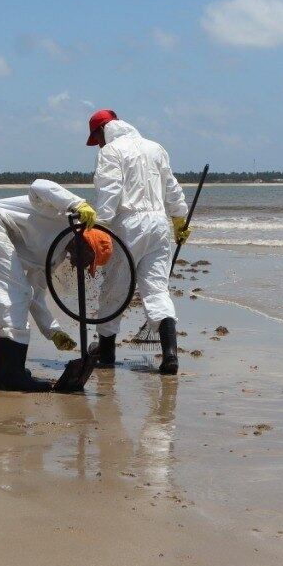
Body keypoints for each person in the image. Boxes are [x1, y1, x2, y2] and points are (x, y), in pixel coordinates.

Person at [0, 179, 107, 392]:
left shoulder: (56, 256)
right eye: (88, 260)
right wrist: (76, 202)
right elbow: (38, 186)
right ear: (86, 243)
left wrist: (53, 331)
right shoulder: (61, 216)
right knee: (15, 295)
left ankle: (0, 371)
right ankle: (12, 376)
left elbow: (36, 294)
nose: (81, 266)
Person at [86, 109, 189, 375]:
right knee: (157, 289)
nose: (98, 145)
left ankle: (106, 354)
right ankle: (170, 353)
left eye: (96, 139)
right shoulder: (155, 147)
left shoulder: (111, 151)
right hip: (159, 226)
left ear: (102, 131)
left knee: (114, 289)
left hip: (127, 226)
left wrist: (99, 226)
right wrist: (179, 217)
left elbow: (110, 192)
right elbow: (171, 186)